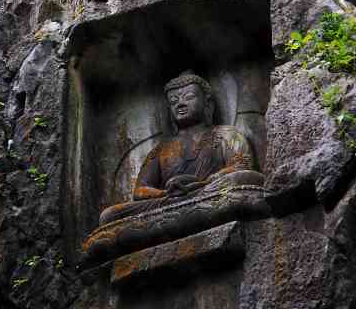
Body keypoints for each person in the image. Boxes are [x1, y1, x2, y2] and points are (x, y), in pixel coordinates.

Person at [99, 71, 262, 226]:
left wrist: (200, 184)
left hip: (207, 192)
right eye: (173, 101)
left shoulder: (225, 134)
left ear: (208, 103)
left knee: (241, 180)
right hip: (171, 202)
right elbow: (140, 191)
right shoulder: (162, 149)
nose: (180, 104)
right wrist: (166, 193)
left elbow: (241, 167)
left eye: (188, 97)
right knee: (110, 215)